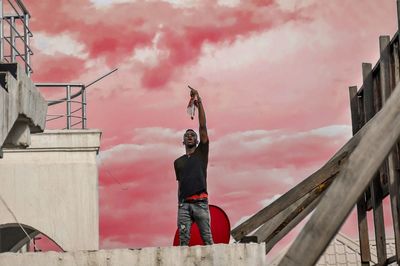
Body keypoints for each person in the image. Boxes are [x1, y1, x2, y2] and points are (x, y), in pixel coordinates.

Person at [174, 87, 213, 246]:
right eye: (186, 135)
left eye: (193, 135)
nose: (190, 136)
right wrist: (179, 204)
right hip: (184, 205)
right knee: (183, 242)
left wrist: (199, 102)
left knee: (208, 241)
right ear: (183, 141)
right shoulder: (178, 162)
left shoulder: (201, 153)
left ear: (197, 141)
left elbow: (202, 127)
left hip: (201, 203)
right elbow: (180, 185)